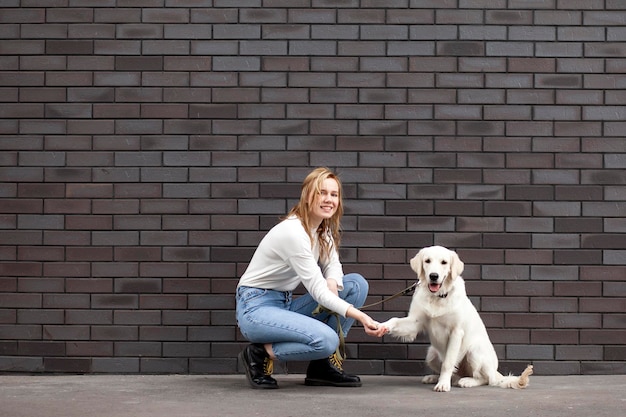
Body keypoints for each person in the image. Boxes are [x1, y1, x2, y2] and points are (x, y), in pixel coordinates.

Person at [236, 167, 386, 389]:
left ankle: (323, 367)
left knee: (355, 285)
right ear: (308, 196)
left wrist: (333, 281)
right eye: (322, 193)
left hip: (283, 304)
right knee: (326, 340)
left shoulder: (322, 229)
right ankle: (259, 353)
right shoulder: (293, 232)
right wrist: (362, 317)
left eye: (334, 195)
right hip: (256, 309)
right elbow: (317, 291)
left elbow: (333, 265)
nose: (329, 200)